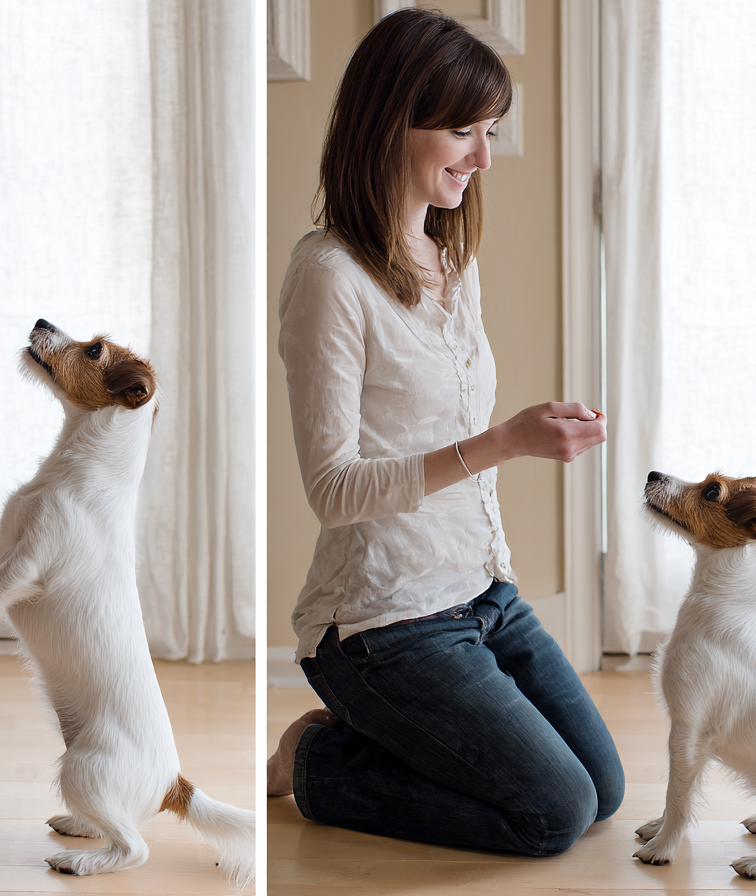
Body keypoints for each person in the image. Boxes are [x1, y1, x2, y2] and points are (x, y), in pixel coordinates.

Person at [267, 8, 623, 856]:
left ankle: (390, 730)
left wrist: (524, 433)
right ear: (392, 122)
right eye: (463, 129)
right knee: (554, 813)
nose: (484, 156)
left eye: (489, 130)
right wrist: (506, 440)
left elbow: (441, 420)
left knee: (603, 790)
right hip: (383, 624)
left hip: (482, 595)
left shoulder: (449, 254)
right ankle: (316, 756)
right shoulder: (328, 277)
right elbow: (334, 488)